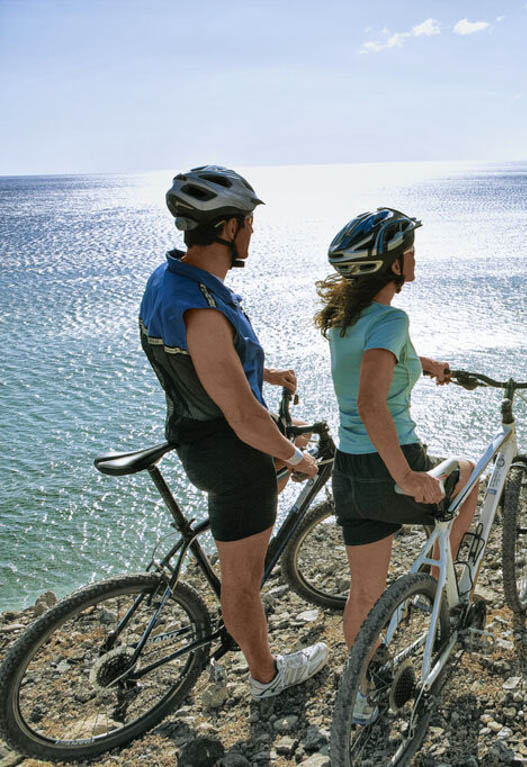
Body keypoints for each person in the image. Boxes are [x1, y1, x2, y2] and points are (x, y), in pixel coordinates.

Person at [139, 165, 327, 699]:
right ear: (227, 228)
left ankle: (237, 602)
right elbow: (245, 418)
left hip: (192, 431)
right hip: (231, 453)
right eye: (247, 222)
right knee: (241, 583)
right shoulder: (204, 308)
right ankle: (266, 675)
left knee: (252, 529)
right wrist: (293, 455)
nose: (252, 232)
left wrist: (261, 372)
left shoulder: (170, 281)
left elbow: (199, 362)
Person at [314, 207, 479, 723]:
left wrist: (423, 364)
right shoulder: (391, 318)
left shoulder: (346, 321)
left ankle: (363, 692)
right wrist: (407, 476)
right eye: (407, 250)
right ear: (390, 265)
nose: (414, 256)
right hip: (393, 463)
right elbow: (371, 402)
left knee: (363, 591)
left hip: (350, 473)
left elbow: (375, 359)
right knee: (469, 472)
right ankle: (438, 585)